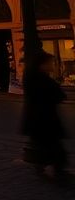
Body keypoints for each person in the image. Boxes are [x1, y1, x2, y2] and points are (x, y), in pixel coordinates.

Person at [22, 49, 68, 183]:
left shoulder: (33, 76)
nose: (52, 65)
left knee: (46, 147)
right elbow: (56, 94)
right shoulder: (40, 78)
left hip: (40, 121)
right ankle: (58, 174)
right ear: (42, 64)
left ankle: (44, 167)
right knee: (55, 149)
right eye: (50, 63)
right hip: (43, 121)